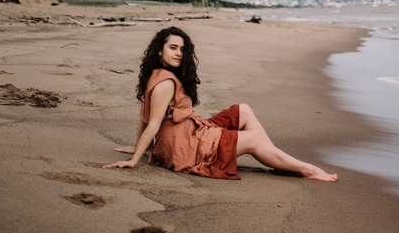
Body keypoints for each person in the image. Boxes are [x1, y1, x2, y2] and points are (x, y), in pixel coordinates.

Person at [103, 26, 337, 182]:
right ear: (159, 50)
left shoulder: (155, 74)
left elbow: (143, 117)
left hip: (189, 132)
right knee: (254, 140)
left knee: (243, 110)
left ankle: (278, 159)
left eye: (182, 49)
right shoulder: (166, 83)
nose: (179, 54)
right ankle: (306, 168)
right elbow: (152, 123)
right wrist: (134, 160)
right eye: (173, 48)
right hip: (185, 147)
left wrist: (139, 147)